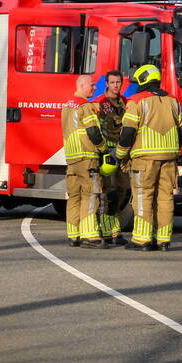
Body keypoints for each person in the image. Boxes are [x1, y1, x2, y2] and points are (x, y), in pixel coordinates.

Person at [115, 64, 182, 252]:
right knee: (165, 198)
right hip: (169, 158)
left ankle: (142, 239)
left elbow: (128, 133)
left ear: (143, 80)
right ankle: (163, 240)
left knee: (142, 196)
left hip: (144, 159)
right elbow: (181, 132)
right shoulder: (173, 101)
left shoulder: (136, 101)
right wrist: (174, 151)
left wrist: (120, 154)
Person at [61, 75, 107, 248]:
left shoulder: (67, 106)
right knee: (90, 195)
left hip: (72, 159)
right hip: (87, 157)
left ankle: (74, 235)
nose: (95, 88)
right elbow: (94, 132)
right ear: (82, 85)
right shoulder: (85, 107)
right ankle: (90, 236)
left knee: (74, 197)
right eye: (92, 85)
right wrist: (104, 149)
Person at [93, 70, 129, 246]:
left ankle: (114, 229)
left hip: (122, 155)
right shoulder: (100, 103)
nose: (116, 85)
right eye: (113, 82)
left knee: (124, 191)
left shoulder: (125, 103)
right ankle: (108, 231)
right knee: (110, 193)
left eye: (118, 82)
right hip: (107, 155)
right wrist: (101, 153)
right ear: (107, 84)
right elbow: (94, 129)